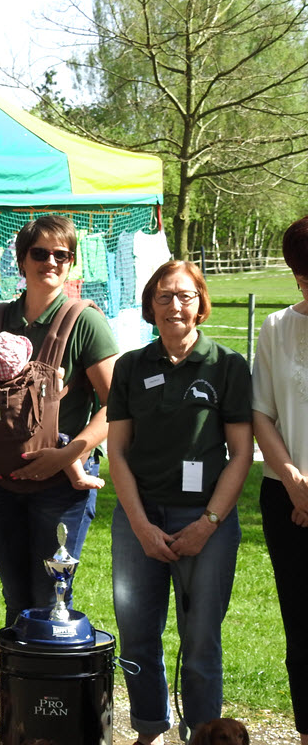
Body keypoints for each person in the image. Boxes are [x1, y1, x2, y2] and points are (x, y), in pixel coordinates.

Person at [107, 260, 252, 744]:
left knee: (201, 639)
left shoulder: (227, 365)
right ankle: (150, 729)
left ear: (201, 303)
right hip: (139, 518)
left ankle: (203, 735)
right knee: (136, 635)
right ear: (150, 305)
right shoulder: (131, 366)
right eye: (164, 296)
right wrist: (140, 525)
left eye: (185, 295)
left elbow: (241, 453)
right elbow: (117, 451)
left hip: (207, 519)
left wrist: (208, 523)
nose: (175, 305)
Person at [0, 215, 118, 626]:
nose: (51, 262)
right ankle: (17, 671)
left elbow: (117, 406)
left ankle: (51, 670)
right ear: (21, 260)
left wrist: (69, 455)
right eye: (40, 253)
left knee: (51, 598)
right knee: (15, 597)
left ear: (72, 262)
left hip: (60, 486)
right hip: (0, 479)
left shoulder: (84, 321)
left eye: (62, 255)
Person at [252, 216, 308, 745]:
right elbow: (261, 413)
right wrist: (293, 481)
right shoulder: (276, 327)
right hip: (285, 498)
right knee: (301, 627)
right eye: (304, 277)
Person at [0, 331, 103, 491]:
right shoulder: (33, 379)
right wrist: (59, 375)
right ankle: (78, 478)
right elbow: (56, 387)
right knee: (63, 442)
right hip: (34, 440)